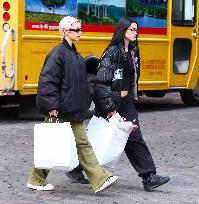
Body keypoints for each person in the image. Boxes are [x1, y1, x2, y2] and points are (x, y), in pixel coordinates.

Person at [68, 17, 170, 192]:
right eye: (131, 29)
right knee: (96, 137)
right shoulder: (112, 52)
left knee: (134, 136)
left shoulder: (133, 50)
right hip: (110, 102)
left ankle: (148, 176)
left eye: (136, 30)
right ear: (123, 30)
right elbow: (101, 82)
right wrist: (110, 107)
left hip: (126, 102)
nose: (135, 33)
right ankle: (76, 168)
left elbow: (132, 77)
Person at [27, 16, 118, 193]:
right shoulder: (58, 53)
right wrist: (52, 106)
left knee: (63, 144)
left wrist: (85, 104)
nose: (80, 32)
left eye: (80, 29)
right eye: (76, 29)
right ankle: (99, 178)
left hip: (72, 108)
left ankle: (36, 178)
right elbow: (47, 81)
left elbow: (78, 84)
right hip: (60, 109)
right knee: (71, 143)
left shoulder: (73, 54)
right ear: (66, 31)